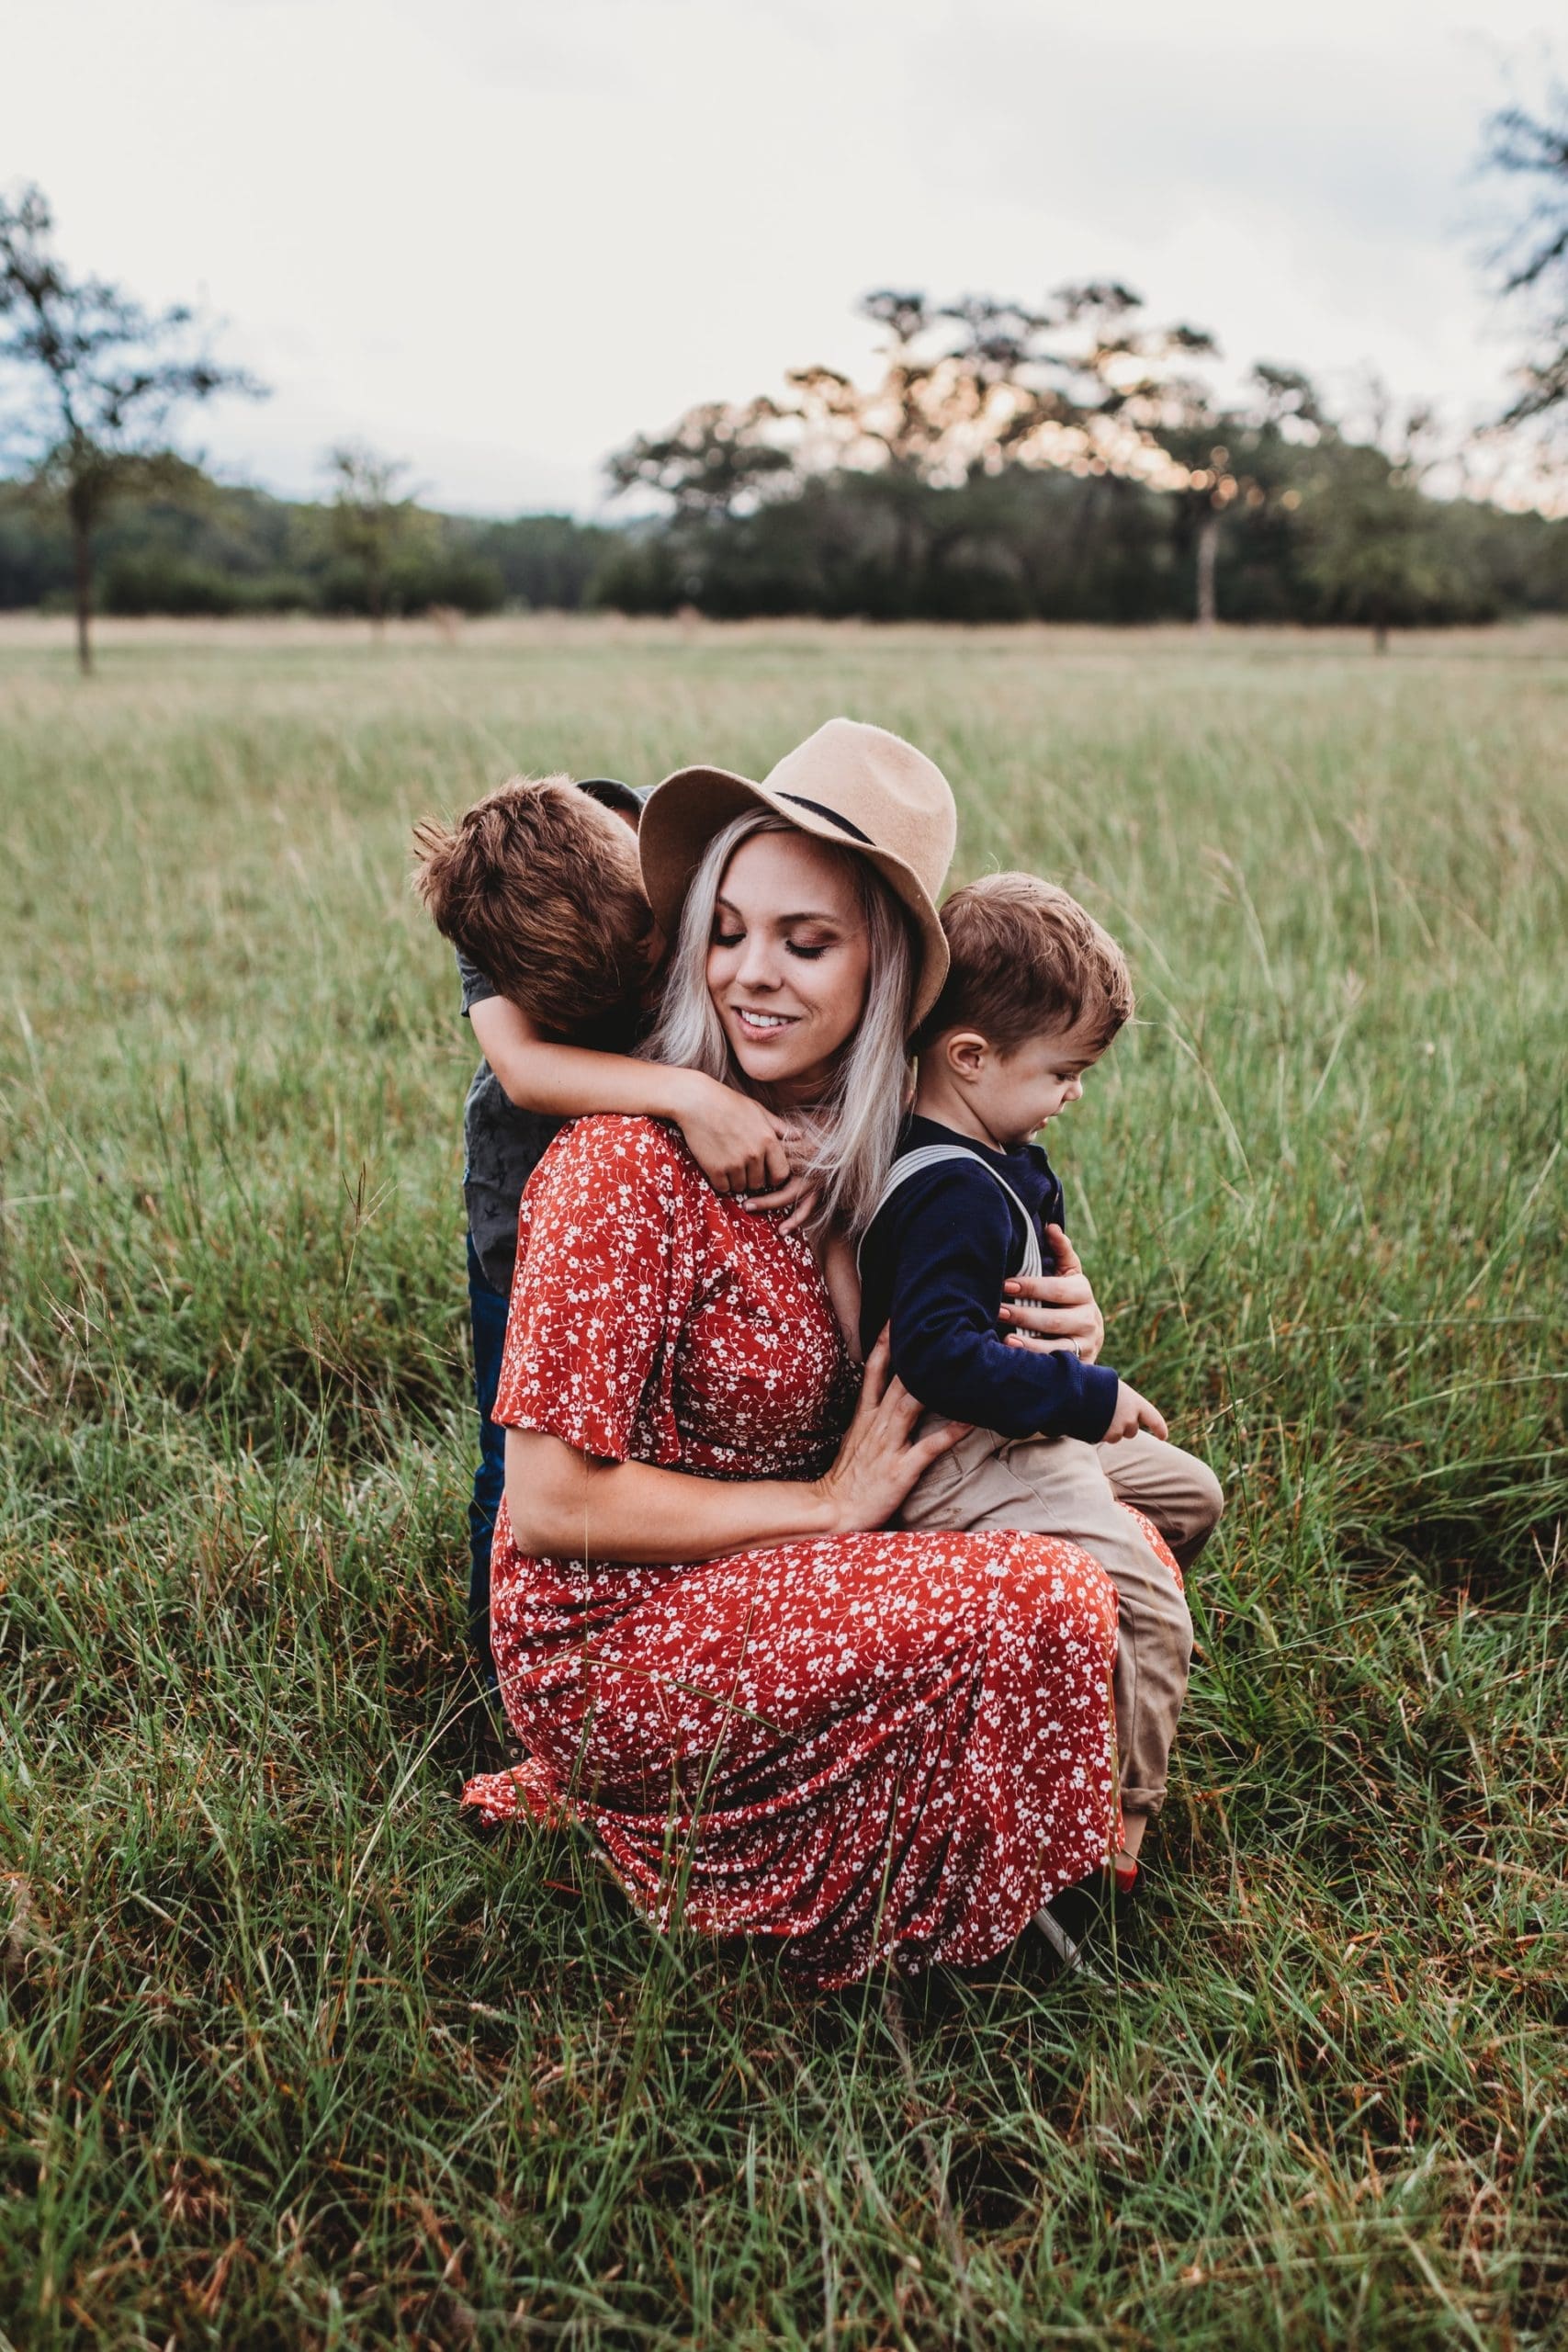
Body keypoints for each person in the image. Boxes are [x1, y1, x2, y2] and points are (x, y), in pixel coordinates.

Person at [461, 719, 1132, 1987]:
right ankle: (903, 1908)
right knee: (1047, 1595)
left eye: (804, 942)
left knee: (1127, 1535)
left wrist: (1060, 1320)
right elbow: (548, 1511)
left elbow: (953, 1360)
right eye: (726, 932)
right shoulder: (621, 1163)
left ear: (885, 975)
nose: (749, 975)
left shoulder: (877, 1156)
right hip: (621, 1637)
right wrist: (825, 1509)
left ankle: (928, 1832)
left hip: (793, 1572)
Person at [857, 871, 1224, 1933]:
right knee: (1158, 1607)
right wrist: (1088, 1394)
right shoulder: (946, 1192)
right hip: (970, 1463)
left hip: (1019, 1441)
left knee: (1188, 1495)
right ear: (968, 1056)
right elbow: (937, 1356)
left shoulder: (991, 1155)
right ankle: (1110, 1828)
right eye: (1062, 1071)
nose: (1076, 1092)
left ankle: (1082, 1685)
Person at [412, 774, 803, 1674]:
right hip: (522, 1200)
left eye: (655, 943)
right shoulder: (495, 901)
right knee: (516, 1448)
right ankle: (503, 1666)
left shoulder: (660, 845)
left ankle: (663, 1618)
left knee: (663, 1423)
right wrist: (684, 1093)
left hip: (670, 1202)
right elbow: (521, 1067)